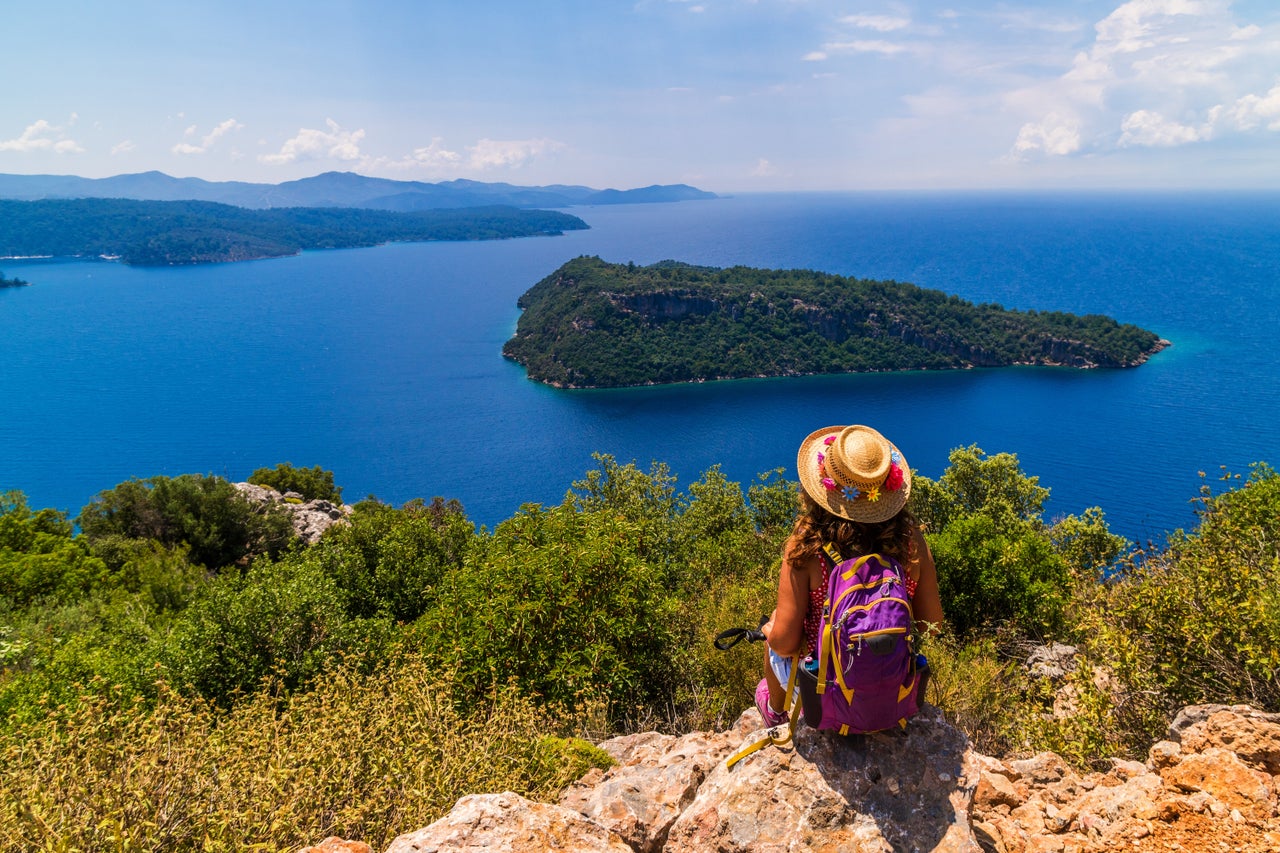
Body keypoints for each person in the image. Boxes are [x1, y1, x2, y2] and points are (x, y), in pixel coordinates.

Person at [757, 424, 944, 726]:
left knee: (774, 631)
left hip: (825, 695)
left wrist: (770, 630)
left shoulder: (808, 546)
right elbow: (931, 625)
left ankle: (776, 713)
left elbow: (785, 644)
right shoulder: (910, 540)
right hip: (893, 693)